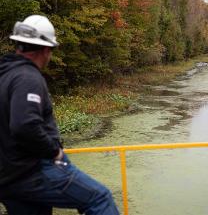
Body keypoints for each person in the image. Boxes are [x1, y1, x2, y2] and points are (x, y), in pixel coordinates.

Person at [0, 15, 120, 215]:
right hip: (32, 172)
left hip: (8, 178)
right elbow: (24, 125)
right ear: (46, 50)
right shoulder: (28, 77)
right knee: (100, 199)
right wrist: (54, 151)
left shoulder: (5, 75)